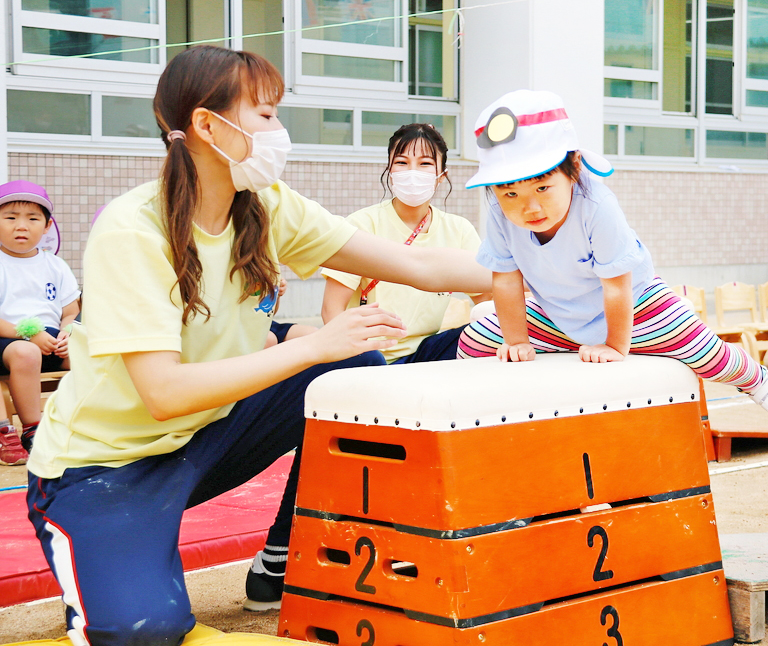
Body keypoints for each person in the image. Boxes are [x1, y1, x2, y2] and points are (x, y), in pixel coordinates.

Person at [24, 46, 490, 644]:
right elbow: (162, 393)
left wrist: (542, 271)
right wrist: (314, 343)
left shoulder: (268, 207)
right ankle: (103, 550)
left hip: (209, 436)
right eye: (266, 115)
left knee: (354, 370)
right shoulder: (132, 228)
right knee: (145, 630)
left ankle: (308, 551)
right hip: (105, 467)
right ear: (207, 125)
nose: (279, 131)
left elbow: (412, 263)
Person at [457, 89, 768, 436]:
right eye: (510, 193)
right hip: (557, 314)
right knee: (474, 341)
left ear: (574, 168)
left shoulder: (597, 207)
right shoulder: (499, 212)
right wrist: (516, 339)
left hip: (639, 305)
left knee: (705, 352)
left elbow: (616, 285)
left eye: (542, 188)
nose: (528, 206)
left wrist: (615, 346)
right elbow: (504, 279)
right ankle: (479, 419)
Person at [321, 123, 484, 364]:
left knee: (481, 335)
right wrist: (355, 357)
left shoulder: (459, 230)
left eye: (425, 163)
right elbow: (330, 310)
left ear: (442, 175)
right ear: (390, 170)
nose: (412, 171)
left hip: (427, 351)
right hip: (371, 355)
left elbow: (489, 299)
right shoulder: (362, 224)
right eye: (402, 162)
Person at [0, 181, 80, 465]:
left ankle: (90, 425)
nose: (21, 226)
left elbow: (70, 311)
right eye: (10, 217)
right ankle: (33, 429)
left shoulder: (54, 265)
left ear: (47, 227)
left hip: (51, 343)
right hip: (9, 343)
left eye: (33, 218)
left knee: (95, 352)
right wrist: (29, 334)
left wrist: (68, 333)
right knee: (26, 353)